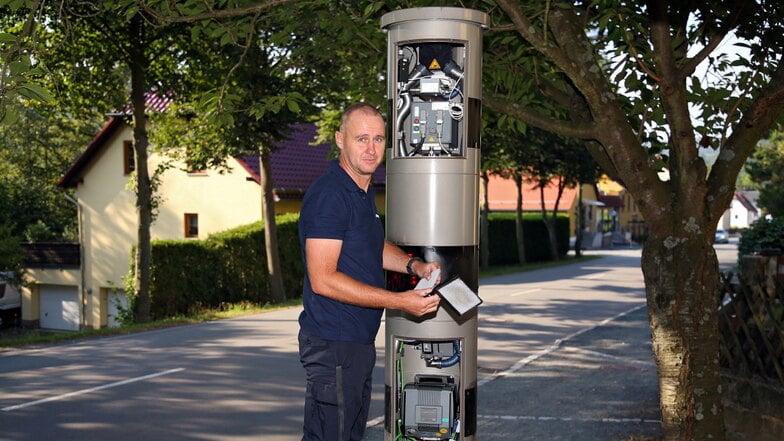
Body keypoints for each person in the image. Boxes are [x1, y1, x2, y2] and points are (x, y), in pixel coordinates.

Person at [298, 102, 441, 441]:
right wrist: (399, 300)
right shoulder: (329, 196)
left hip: (355, 343)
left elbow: (370, 247)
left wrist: (413, 264)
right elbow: (323, 279)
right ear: (339, 139)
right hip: (333, 343)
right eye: (361, 139)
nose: (371, 149)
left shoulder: (363, 190)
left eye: (378, 139)